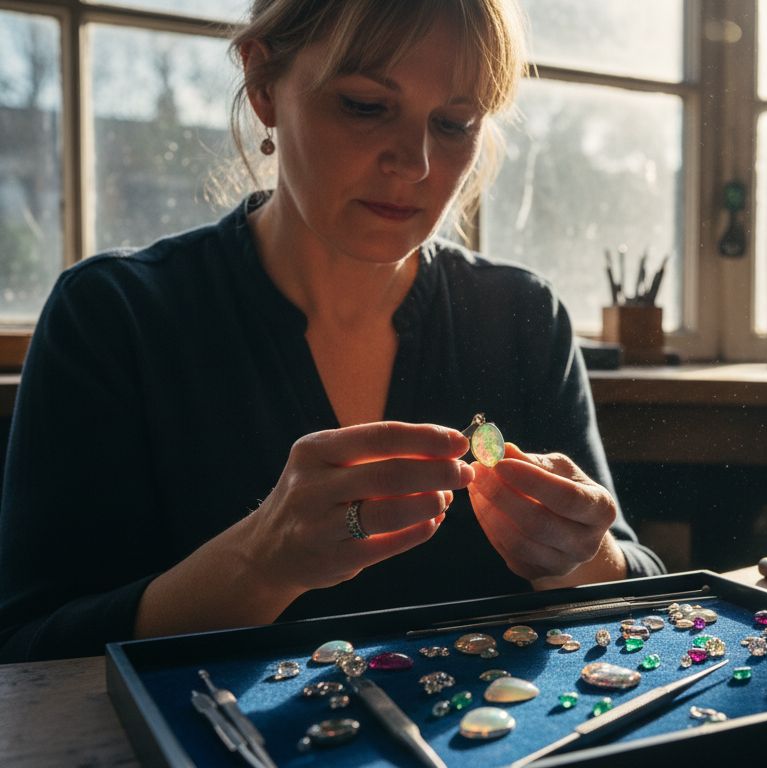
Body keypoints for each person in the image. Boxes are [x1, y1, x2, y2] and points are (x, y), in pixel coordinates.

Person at [0, 0, 663, 663]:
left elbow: (644, 594)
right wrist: (262, 563)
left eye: (454, 124)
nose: (417, 164)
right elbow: (27, 652)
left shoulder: (523, 317)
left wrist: (580, 556)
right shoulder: (113, 320)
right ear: (263, 86)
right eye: (365, 106)